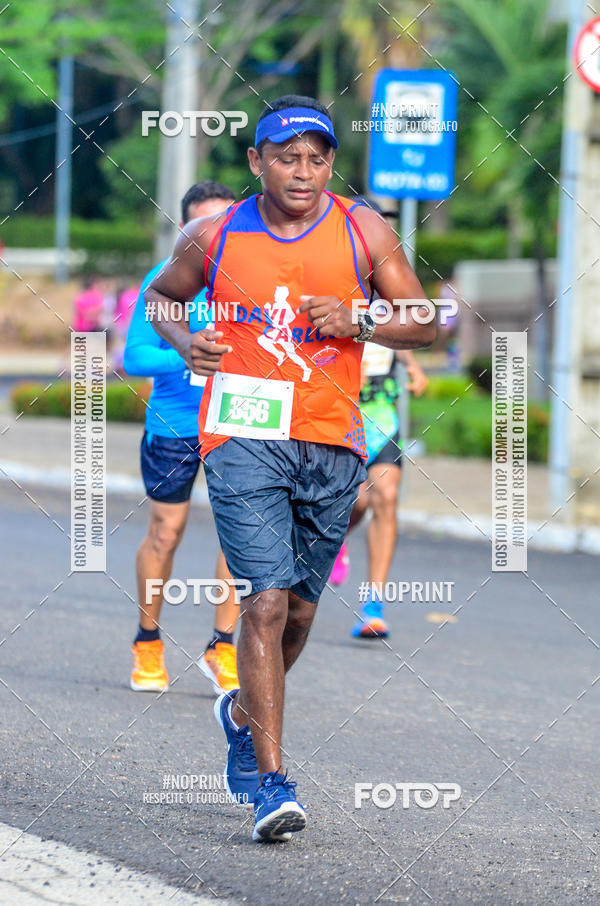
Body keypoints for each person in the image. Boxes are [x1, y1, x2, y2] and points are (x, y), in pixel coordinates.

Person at [145, 95, 435, 842]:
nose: (303, 172)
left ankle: (240, 712)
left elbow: (427, 319)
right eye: (286, 157)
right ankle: (273, 783)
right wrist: (186, 344)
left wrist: (363, 320)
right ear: (256, 163)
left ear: (331, 162)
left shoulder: (363, 228)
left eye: (317, 157)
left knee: (301, 614)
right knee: (265, 604)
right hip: (240, 436)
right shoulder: (215, 233)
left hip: (333, 441)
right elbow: (162, 299)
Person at [124, 180, 241, 697]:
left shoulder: (252, 280)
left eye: (222, 223)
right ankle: (147, 641)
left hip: (239, 423)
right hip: (175, 426)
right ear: (184, 231)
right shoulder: (163, 281)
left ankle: (224, 648)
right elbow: (133, 358)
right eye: (202, 227)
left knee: (241, 540)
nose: (212, 235)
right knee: (165, 533)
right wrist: (188, 353)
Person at [328, 197, 429, 639]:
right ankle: (334, 541)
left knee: (386, 496)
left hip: (381, 410)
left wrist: (413, 367)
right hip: (337, 411)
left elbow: (409, 332)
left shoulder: (394, 284)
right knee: (359, 501)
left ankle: (373, 603)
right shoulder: (331, 278)